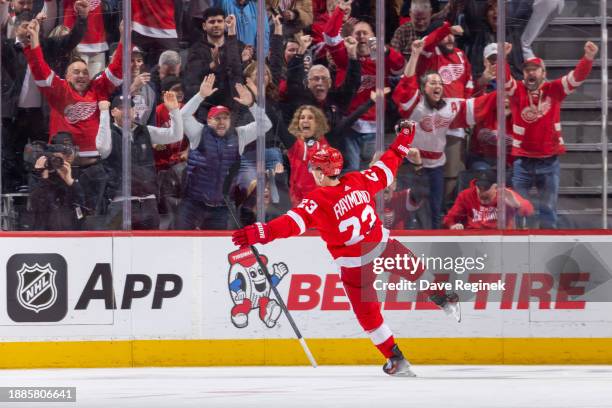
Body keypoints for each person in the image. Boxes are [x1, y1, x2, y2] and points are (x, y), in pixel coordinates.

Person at [232, 121, 460, 377]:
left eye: (314, 168)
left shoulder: (317, 200)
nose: (313, 172)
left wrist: (260, 232)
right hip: (383, 247)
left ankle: (395, 359)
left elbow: (290, 224)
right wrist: (405, 137)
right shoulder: (359, 179)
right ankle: (442, 296)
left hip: (355, 265)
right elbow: (388, 164)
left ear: (320, 172)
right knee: (415, 269)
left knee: (369, 315)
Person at [392, 39, 492, 228]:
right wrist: (414, 54)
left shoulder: (448, 108)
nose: (438, 85)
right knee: (413, 206)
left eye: (440, 82)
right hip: (413, 164)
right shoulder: (415, 105)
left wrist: (498, 93)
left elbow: (473, 105)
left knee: (436, 208)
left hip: (436, 166)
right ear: (423, 88)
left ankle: (436, 239)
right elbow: (406, 84)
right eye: (433, 82)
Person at [504, 41, 598, 228]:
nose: (531, 72)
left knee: (548, 211)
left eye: (535, 69)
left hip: (549, 161)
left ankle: (549, 251)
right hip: (522, 162)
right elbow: (504, 79)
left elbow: (575, 78)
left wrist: (587, 58)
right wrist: (502, 58)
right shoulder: (517, 91)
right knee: (518, 211)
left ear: (543, 73)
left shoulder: (554, 89)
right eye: (527, 70)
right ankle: (519, 250)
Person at [176, 75, 272, 230]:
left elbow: (265, 125)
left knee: (215, 250)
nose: (221, 122)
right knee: (181, 244)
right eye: (217, 118)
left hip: (220, 207)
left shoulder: (239, 135)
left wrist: (252, 104)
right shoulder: (198, 132)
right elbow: (182, 116)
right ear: (208, 121)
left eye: (225, 118)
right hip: (192, 204)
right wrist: (200, 96)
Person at [23, 18, 123, 159]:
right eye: (76, 72)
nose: (81, 75)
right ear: (67, 76)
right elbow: (40, 70)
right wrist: (33, 41)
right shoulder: (60, 89)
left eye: (85, 72)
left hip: (93, 160)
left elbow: (116, 70)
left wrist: (124, 38)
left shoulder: (97, 88)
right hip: (63, 159)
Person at [96, 91, 184, 230]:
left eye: (129, 108)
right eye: (121, 108)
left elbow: (176, 135)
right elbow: (101, 147)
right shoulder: (108, 134)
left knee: (151, 249)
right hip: (121, 204)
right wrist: (103, 113)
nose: (126, 112)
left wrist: (174, 110)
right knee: (119, 249)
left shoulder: (145, 131)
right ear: (113, 112)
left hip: (148, 203)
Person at [29, 132, 85, 230]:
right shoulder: (39, 174)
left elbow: (84, 210)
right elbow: (35, 207)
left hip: (72, 235)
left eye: (67, 154)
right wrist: (43, 177)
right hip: (44, 235)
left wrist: (70, 181)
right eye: (56, 158)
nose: (61, 160)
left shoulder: (79, 174)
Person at [443, 170, 534, 229]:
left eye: (486, 188)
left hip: (499, 239)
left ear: (495, 187)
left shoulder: (506, 194)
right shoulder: (466, 195)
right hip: (473, 239)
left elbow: (529, 210)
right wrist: (453, 226)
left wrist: (517, 205)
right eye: (479, 187)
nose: (481, 192)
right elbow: (449, 219)